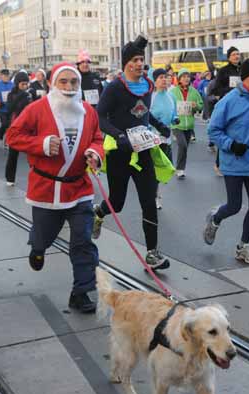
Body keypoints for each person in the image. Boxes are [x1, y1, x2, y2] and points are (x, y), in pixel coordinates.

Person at [6, 62, 104, 313]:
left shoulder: (87, 111)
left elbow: (96, 137)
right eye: (64, 82)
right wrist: (41, 143)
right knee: (44, 235)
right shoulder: (37, 108)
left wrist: (94, 152)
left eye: (74, 82)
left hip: (79, 188)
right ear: (52, 83)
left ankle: (81, 291)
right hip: (46, 189)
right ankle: (37, 247)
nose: (69, 87)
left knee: (83, 241)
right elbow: (13, 136)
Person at [94, 35, 173, 271]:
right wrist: (119, 136)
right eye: (136, 60)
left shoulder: (147, 86)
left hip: (144, 151)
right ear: (127, 63)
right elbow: (98, 117)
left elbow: (144, 113)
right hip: (120, 153)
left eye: (142, 59)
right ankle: (98, 212)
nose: (140, 64)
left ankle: (152, 252)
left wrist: (158, 125)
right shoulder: (115, 87)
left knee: (148, 201)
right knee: (116, 202)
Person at [203, 58, 249, 264]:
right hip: (234, 162)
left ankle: (243, 247)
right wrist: (231, 145)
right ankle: (215, 219)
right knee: (234, 206)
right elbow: (213, 131)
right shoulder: (229, 101)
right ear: (244, 79)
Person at [150, 68, 178, 209]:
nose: (164, 80)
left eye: (166, 77)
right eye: (160, 77)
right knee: (154, 170)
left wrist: (176, 119)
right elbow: (145, 117)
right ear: (154, 81)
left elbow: (174, 113)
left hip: (166, 137)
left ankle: (155, 193)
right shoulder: (150, 97)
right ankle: (154, 196)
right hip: (151, 139)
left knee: (163, 169)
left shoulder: (171, 96)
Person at [210, 47, 242, 176]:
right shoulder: (223, 71)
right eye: (234, 54)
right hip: (228, 106)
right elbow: (217, 89)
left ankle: (237, 162)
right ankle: (218, 164)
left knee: (239, 134)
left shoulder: (243, 70)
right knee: (226, 135)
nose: (236, 56)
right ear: (229, 57)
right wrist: (230, 91)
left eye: (238, 54)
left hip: (241, 105)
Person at [170, 68, 203, 179]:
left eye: (188, 76)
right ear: (179, 79)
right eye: (183, 77)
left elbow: (201, 105)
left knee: (184, 148)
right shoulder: (173, 92)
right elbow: (168, 105)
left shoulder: (194, 91)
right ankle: (179, 169)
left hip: (189, 125)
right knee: (182, 145)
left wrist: (196, 106)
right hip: (177, 124)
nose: (186, 79)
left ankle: (181, 168)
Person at [4, 71, 33, 186]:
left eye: (26, 84)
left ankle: (35, 175)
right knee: (13, 153)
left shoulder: (30, 94)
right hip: (16, 125)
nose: (25, 87)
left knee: (32, 152)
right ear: (17, 84)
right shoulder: (12, 94)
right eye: (22, 84)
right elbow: (10, 108)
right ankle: (10, 178)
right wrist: (21, 95)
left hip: (29, 126)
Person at [0, 69, 14, 146]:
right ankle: (1, 135)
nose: (6, 77)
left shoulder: (12, 85)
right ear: (1, 76)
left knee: (10, 125)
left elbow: (15, 95)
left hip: (10, 108)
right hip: (2, 109)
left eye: (7, 76)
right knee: (4, 124)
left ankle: (7, 140)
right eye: (4, 76)